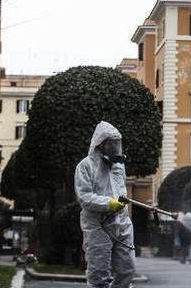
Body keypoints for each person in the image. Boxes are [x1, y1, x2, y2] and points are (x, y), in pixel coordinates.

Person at [74, 121, 135, 288]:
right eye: (112, 144)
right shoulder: (86, 166)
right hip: (98, 226)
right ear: (101, 144)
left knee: (127, 270)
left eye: (118, 144)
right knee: (99, 274)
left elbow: (120, 190)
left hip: (121, 223)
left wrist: (120, 204)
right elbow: (84, 197)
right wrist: (109, 203)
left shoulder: (118, 167)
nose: (116, 148)